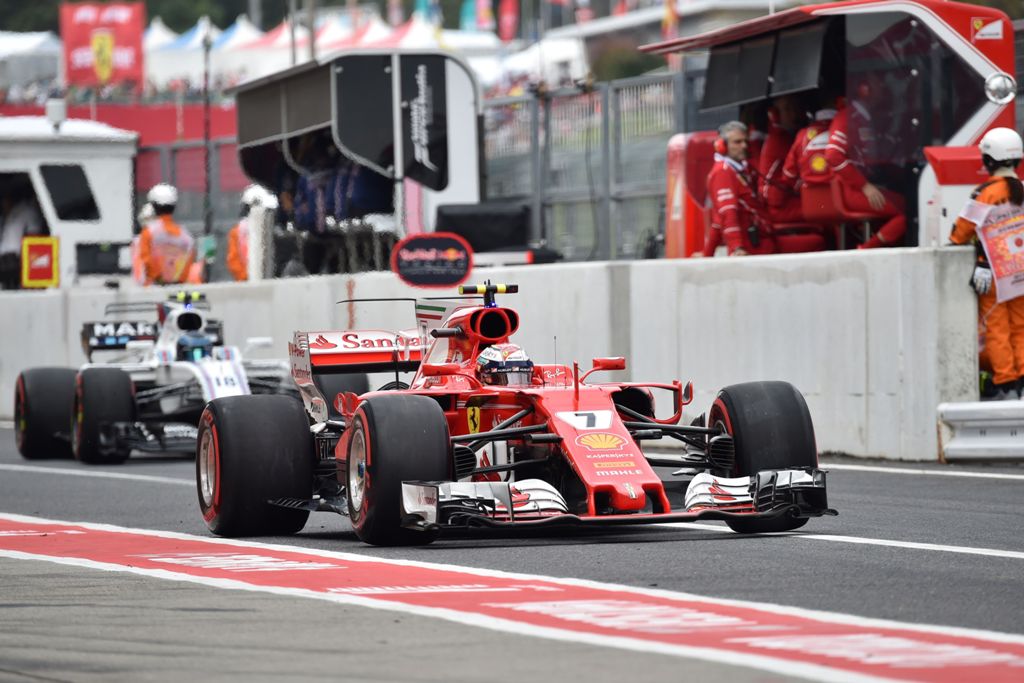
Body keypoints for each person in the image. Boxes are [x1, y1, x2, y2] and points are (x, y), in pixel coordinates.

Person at [949, 127, 1024, 400]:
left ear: (989, 160)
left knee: (997, 328)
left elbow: (960, 233)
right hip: (1021, 273)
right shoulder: (1022, 189)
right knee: (1021, 325)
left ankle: (1006, 382)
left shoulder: (984, 193)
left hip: (995, 274)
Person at [824, 85, 906, 248]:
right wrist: (865, 186)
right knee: (908, 211)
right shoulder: (847, 117)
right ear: (864, 89)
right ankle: (865, 250)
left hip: (862, 187)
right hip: (853, 191)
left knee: (907, 203)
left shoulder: (864, 117)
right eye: (878, 81)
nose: (884, 87)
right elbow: (833, 155)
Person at [704, 121, 773, 257]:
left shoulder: (740, 170)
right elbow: (727, 213)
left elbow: (717, 221)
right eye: (737, 142)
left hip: (761, 243)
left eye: (745, 141)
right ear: (722, 146)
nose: (744, 146)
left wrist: (707, 255)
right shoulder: (723, 172)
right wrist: (736, 247)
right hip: (750, 248)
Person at [136, 183, 195, 286]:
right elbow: (187, 264)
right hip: (179, 290)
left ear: (153, 206)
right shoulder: (186, 236)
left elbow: (145, 263)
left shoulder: (148, 233)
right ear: (174, 207)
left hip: (153, 290)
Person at [0, 179, 45, 290]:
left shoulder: (18, 211)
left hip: (9, 261)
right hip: (11, 262)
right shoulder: (29, 211)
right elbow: (34, 240)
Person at [226, 185, 265, 281]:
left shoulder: (237, 231)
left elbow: (233, 261)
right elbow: (233, 260)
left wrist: (245, 277)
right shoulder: (237, 232)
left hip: (248, 281)